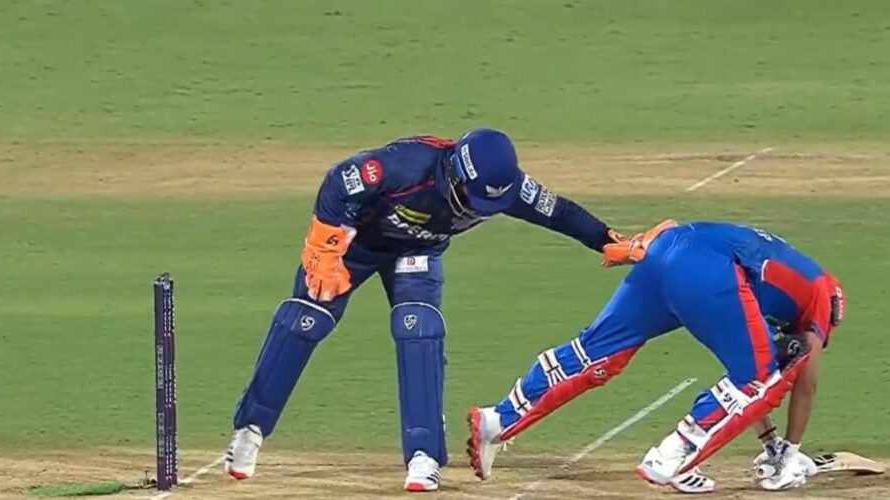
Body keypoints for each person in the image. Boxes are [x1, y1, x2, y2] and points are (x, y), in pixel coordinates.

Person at [224, 128, 636, 492]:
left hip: (417, 251)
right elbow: (341, 179)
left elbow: (558, 212)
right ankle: (250, 429)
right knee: (305, 320)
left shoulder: (504, 186)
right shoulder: (407, 166)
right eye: (472, 197)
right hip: (354, 245)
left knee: (418, 330)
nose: (477, 209)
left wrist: (606, 240)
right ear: (454, 173)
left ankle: (424, 456)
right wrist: (323, 245)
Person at [466, 220, 846, 493]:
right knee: (763, 374)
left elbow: (740, 356)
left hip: (665, 247)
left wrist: (770, 442)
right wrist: (789, 453)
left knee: (595, 351)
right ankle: (671, 458)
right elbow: (805, 382)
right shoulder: (819, 296)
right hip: (707, 269)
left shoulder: (783, 277)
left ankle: (498, 419)